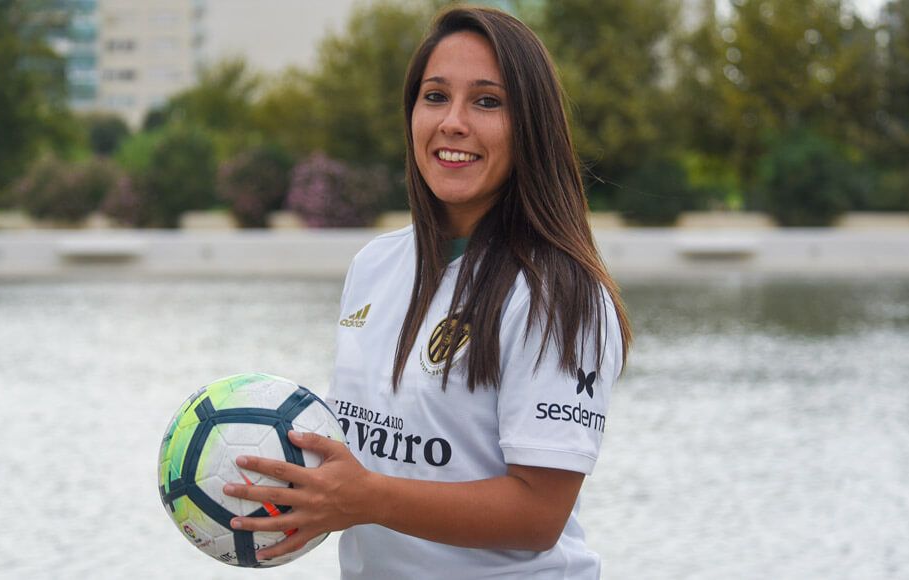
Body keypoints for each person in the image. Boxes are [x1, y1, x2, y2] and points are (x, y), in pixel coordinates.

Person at [223, 5, 632, 577]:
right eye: (435, 96)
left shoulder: (560, 292)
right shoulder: (374, 264)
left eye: (487, 101)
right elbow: (369, 456)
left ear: (530, 127)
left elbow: (539, 515)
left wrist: (364, 497)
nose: (453, 122)